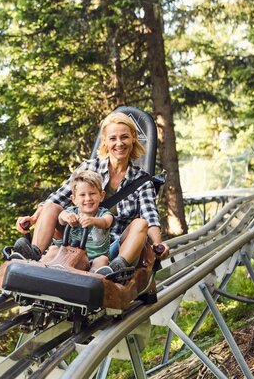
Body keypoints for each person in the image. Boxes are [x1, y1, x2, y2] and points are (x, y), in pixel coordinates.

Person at [12, 111, 170, 275]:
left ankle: (115, 270)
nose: (119, 143)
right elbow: (58, 198)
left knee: (140, 223)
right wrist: (33, 218)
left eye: (124, 137)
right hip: (75, 240)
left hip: (110, 248)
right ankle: (34, 255)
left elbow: (149, 217)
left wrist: (158, 245)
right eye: (113, 138)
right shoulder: (89, 168)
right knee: (51, 206)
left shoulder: (142, 181)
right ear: (105, 142)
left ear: (133, 139)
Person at [49, 170, 114, 272]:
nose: (88, 198)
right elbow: (61, 217)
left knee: (103, 259)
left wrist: (93, 220)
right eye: (82, 195)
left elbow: (106, 222)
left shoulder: (104, 214)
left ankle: (93, 276)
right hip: (71, 257)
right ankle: (37, 267)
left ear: (101, 196)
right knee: (53, 249)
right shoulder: (72, 212)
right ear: (74, 199)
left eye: (92, 193)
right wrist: (67, 217)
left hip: (92, 261)